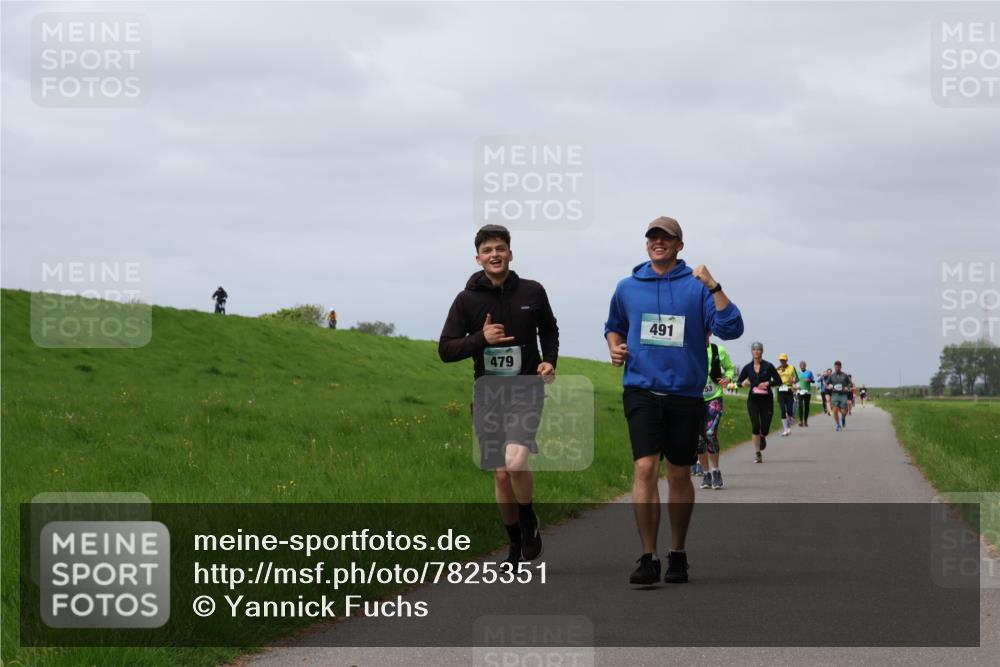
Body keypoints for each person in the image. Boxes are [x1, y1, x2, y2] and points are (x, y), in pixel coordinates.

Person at [605, 216, 743, 586]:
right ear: (646, 244)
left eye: (666, 238)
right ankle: (648, 556)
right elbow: (613, 326)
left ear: (680, 245)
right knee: (645, 468)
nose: (658, 242)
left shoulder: (697, 288)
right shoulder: (627, 287)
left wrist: (714, 285)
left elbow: (732, 328)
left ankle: (677, 551)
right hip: (641, 389)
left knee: (679, 473)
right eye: (652, 237)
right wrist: (615, 348)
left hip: (685, 393)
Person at [439, 224, 558, 566]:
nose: (495, 255)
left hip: (526, 389)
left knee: (516, 461)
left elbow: (549, 329)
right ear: (478, 258)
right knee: (501, 473)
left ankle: (528, 521)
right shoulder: (466, 300)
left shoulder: (533, 292)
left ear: (510, 253)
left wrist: (548, 361)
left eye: (500, 248)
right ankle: (514, 544)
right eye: (488, 250)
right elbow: (446, 350)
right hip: (489, 394)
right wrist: (480, 339)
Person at [698, 334, 736, 490]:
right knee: (699, 439)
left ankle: (716, 471)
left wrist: (727, 378)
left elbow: (730, 368)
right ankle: (705, 473)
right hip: (694, 398)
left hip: (714, 397)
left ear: (709, 333)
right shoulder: (690, 349)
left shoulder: (718, 350)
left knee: (710, 433)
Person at [737, 342, 782, 463]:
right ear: (751, 352)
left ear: (762, 351)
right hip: (753, 400)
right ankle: (758, 453)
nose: (756, 352)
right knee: (755, 425)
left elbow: (779, 381)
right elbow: (738, 382)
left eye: (758, 350)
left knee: (765, 428)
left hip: (766, 400)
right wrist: (742, 383)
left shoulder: (768, 366)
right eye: (754, 350)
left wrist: (768, 383)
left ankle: (762, 437)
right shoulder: (747, 368)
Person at [775, 353, 799, 436]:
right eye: (781, 360)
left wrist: (793, 381)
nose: (782, 362)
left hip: (789, 390)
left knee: (789, 411)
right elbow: (772, 376)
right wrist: (776, 369)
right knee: (783, 410)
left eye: (784, 360)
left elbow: (797, 378)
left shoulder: (792, 367)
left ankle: (789, 428)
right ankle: (785, 429)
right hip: (781, 390)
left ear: (786, 360)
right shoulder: (778, 369)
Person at [827, 361, 851, 431]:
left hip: (843, 394)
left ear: (840, 367)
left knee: (844, 411)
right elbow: (827, 383)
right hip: (835, 394)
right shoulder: (832, 376)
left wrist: (847, 387)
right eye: (835, 367)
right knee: (834, 411)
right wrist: (829, 386)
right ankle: (838, 425)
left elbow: (850, 383)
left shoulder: (844, 375)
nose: (836, 368)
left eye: (838, 367)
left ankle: (843, 418)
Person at [796, 361, 815, 427]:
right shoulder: (797, 373)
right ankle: (801, 421)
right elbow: (795, 381)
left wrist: (809, 380)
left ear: (805, 366)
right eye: (801, 365)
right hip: (800, 392)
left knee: (806, 407)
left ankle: (805, 421)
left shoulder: (809, 372)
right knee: (800, 406)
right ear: (800, 366)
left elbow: (813, 381)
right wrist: (795, 385)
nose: (802, 366)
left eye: (803, 365)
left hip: (807, 392)